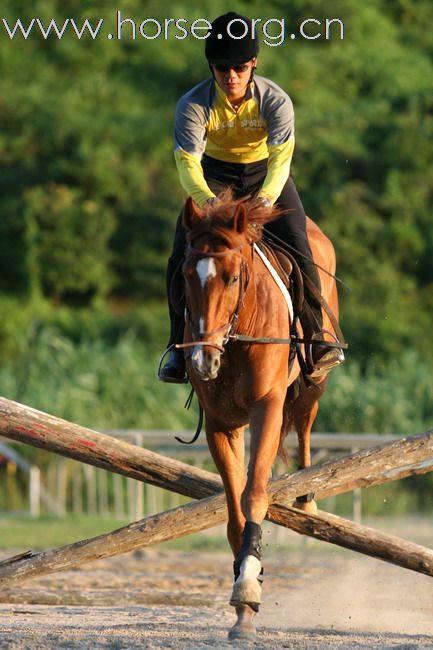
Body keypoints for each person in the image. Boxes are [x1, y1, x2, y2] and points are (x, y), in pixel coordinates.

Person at [158, 11, 344, 383]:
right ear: (211, 66)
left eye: (240, 67)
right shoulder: (193, 105)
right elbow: (187, 166)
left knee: (301, 248)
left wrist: (265, 200)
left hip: (265, 177)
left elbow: (280, 161)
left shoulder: (276, 101)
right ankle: (176, 348)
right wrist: (209, 203)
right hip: (214, 180)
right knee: (181, 257)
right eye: (223, 68)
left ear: (254, 63)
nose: (231, 76)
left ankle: (318, 337)